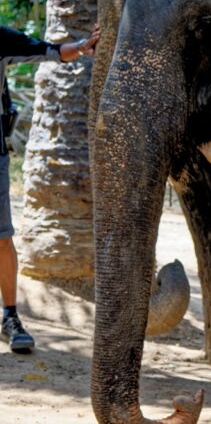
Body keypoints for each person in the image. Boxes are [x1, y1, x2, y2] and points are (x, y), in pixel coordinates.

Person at [0, 23, 100, 353]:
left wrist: (84, 45)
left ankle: (10, 318)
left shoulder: (2, 38)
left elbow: (52, 51)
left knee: (2, 239)